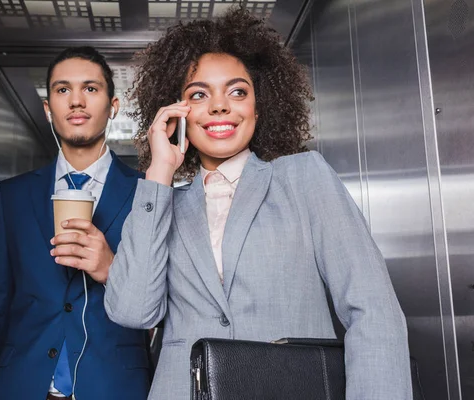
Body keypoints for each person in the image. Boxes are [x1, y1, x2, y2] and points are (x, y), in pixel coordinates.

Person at [104, 8, 412, 400]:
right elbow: (132, 310)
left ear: (258, 106)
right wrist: (159, 172)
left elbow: (374, 313)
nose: (219, 106)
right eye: (199, 94)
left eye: (237, 91)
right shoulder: (161, 203)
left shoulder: (304, 177)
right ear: (176, 113)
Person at [0, 46, 151, 400]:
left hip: (116, 387)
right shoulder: (12, 196)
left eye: (90, 89)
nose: (76, 101)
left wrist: (113, 267)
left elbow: (163, 303)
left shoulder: (148, 194)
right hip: (21, 385)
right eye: (62, 90)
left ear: (113, 106)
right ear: (48, 110)